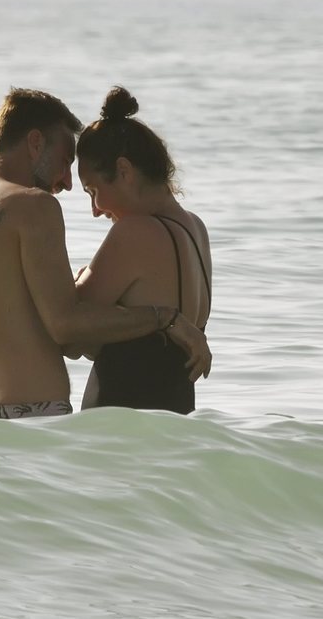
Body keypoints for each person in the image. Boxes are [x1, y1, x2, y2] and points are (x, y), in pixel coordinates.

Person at [0, 88, 211, 420]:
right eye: (65, 160)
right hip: (33, 414)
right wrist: (166, 318)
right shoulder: (35, 207)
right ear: (35, 143)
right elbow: (67, 328)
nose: (67, 182)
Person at [71, 86, 212, 415]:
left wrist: (78, 280)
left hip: (118, 427)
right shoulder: (196, 231)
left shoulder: (135, 233)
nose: (94, 209)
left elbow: (72, 334)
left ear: (123, 170)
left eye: (94, 190)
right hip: (177, 423)